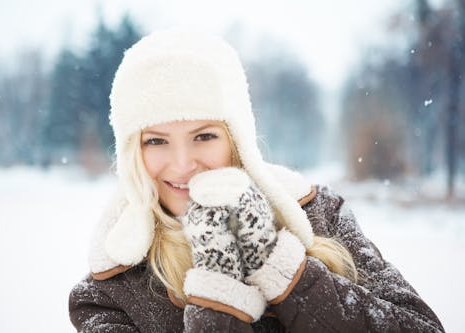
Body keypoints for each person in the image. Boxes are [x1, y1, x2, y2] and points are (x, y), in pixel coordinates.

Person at [68, 29, 444, 332]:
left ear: (238, 139)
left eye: (204, 136)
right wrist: (218, 292)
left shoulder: (317, 212)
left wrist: (282, 268)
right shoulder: (108, 292)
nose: (182, 165)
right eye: (156, 141)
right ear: (133, 152)